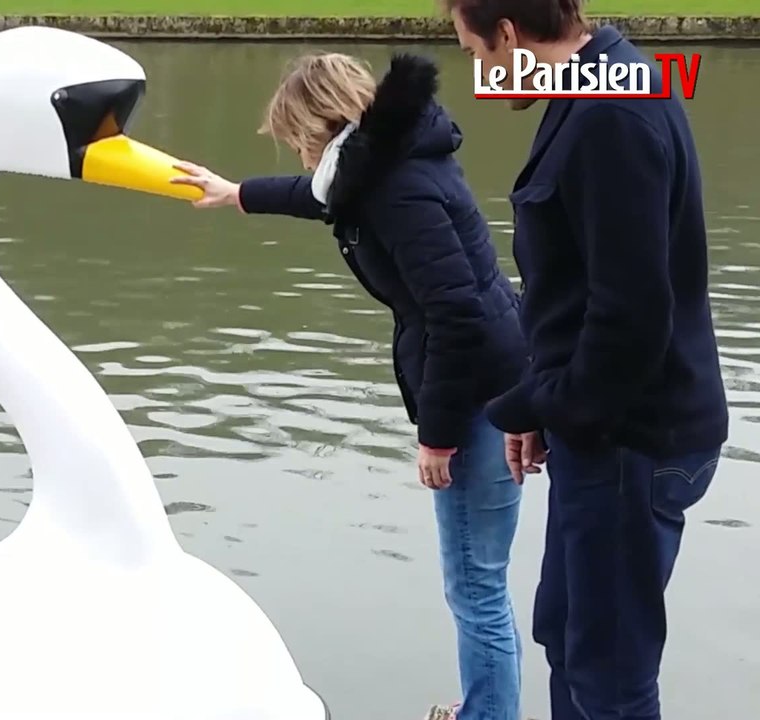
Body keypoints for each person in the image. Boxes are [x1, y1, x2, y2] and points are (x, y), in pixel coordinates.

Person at [170, 52, 528, 720]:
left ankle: (490, 714)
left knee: (476, 586)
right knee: (479, 583)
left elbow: (457, 316)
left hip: (478, 395)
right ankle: (487, 703)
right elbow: (321, 196)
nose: (300, 156)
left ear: (318, 124)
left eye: (297, 140)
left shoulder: (398, 189)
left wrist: (438, 439)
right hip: (486, 379)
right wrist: (235, 193)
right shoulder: (382, 160)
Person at [445, 3, 729, 719]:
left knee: (608, 672)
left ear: (509, 34)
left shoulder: (611, 115)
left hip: (632, 439)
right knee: (568, 637)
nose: (480, 72)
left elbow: (630, 316)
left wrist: (553, 404)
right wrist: (544, 403)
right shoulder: (597, 88)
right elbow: (580, 289)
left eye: (477, 53)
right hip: (602, 426)